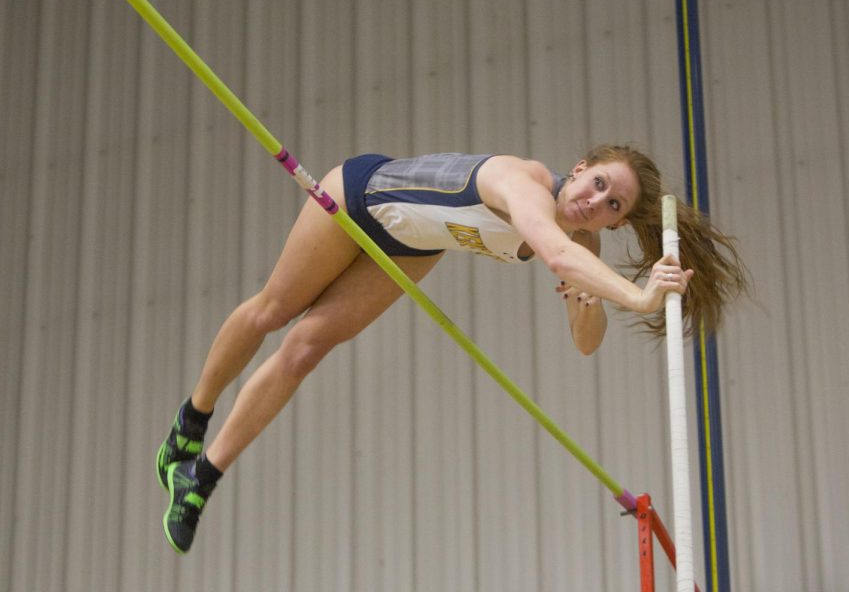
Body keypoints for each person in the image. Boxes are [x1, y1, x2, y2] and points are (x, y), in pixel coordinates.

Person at [157, 145, 747, 553]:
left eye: (612, 204)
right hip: (361, 194)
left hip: (415, 243)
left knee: (305, 349)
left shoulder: (580, 243)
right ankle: (193, 417)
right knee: (275, 311)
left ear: (615, 224)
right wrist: (639, 298)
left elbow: (585, 343)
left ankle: (200, 476)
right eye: (599, 183)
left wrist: (588, 299)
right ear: (580, 167)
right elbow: (557, 256)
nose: (596, 201)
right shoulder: (527, 183)